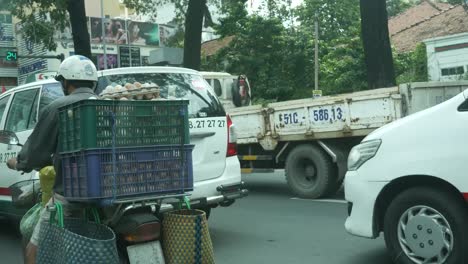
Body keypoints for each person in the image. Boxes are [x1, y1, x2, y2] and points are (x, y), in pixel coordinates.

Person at [6, 55, 98, 264]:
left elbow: (34, 153)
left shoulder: (59, 108)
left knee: (32, 248)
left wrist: (19, 162)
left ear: (65, 82)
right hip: (113, 192)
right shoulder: (108, 105)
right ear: (94, 82)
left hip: (71, 194)